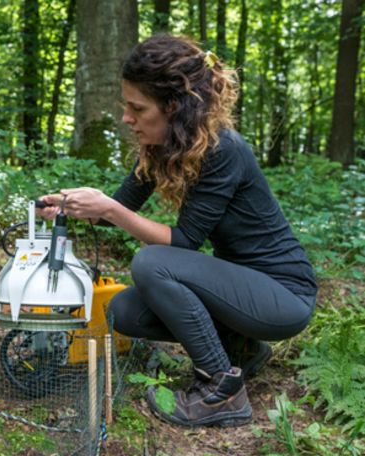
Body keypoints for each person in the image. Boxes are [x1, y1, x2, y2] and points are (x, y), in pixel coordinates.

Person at [39, 34, 317, 428]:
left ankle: (223, 391)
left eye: (137, 108)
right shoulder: (162, 147)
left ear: (173, 107)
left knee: (153, 263)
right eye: (126, 106)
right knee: (123, 310)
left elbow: (183, 242)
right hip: (241, 290)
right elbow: (120, 208)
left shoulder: (224, 149)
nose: (126, 118)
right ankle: (242, 348)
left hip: (283, 295)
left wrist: (111, 209)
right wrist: (69, 204)